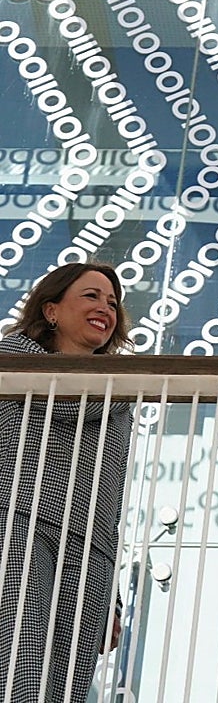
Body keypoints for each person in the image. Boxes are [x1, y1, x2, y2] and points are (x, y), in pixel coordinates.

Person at [0, 262, 132, 702]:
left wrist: (110, 595)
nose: (105, 308)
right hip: (16, 531)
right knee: (16, 672)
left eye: (112, 302)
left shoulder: (120, 394)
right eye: (91, 296)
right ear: (51, 310)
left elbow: (111, 497)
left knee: (63, 690)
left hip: (90, 553)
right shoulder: (8, 368)